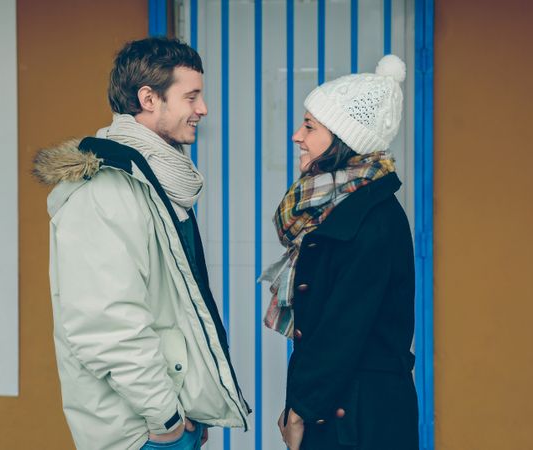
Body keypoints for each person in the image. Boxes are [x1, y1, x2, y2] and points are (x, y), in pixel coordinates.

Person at [33, 37, 250, 450]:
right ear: (149, 98)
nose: (202, 109)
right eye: (191, 96)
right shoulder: (105, 190)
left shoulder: (154, 182)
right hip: (141, 432)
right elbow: (107, 323)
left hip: (168, 420)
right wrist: (165, 417)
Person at [262, 55, 418, 450]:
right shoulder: (340, 206)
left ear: (344, 138)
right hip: (339, 406)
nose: (298, 135)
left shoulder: (372, 217)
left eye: (310, 126)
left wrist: (300, 407)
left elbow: (344, 327)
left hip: (361, 420)